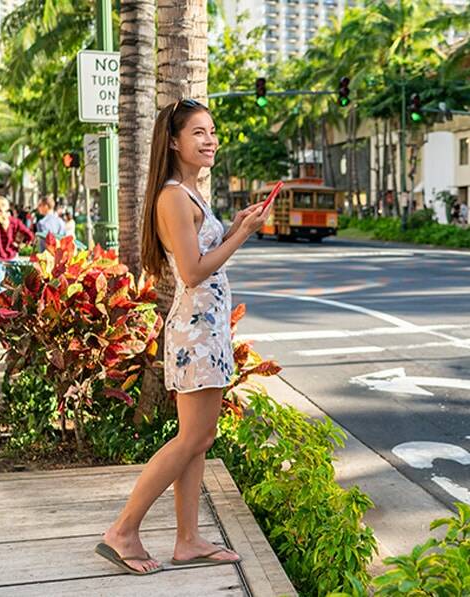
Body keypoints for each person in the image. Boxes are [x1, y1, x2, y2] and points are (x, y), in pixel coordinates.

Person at [97, 98, 272, 575]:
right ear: (173, 141)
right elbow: (192, 272)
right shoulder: (173, 196)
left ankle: (188, 539)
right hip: (195, 330)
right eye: (198, 132)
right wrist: (243, 235)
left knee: (197, 439)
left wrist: (235, 228)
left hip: (206, 327)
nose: (210, 139)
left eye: (212, 131)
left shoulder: (190, 194)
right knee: (195, 436)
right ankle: (123, 530)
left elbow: (199, 256)